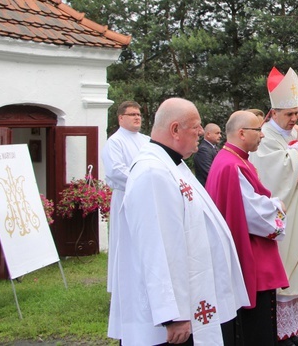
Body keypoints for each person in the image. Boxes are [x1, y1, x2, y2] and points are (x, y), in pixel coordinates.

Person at [108, 98, 248, 345]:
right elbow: (157, 248)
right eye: (196, 125)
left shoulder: (173, 164)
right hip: (169, 323)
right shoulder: (152, 172)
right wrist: (173, 315)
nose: (201, 132)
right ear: (174, 130)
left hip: (190, 300)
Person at [249, 67, 298, 345]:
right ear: (274, 113)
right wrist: (297, 143)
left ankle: (292, 332)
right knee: (284, 278)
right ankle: (277, 336)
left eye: (296, 112)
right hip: (282, 217)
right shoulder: (265, 136)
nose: (294, 118)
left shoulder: (296, 131)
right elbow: (275, 174)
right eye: (288, 114)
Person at [206, 111, 288, 345]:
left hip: (242, 248)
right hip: (249, 254)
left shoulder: (230, 159)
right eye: (258, 130)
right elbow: (254, 214)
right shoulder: (233, 165)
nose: (262, 135)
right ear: (242, 133)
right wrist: (277, 207)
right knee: (257, 326)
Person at [101, 101, 150, 294]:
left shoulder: (147, 140)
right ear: (121, 118)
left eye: (139, 114)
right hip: (126, 198)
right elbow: (115, 171)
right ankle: (123, 290)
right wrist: (142, 181)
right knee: (125, 243)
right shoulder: (115, 142)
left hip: (146, 199)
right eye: (132, 114)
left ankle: (143, 285)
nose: (137, 117)